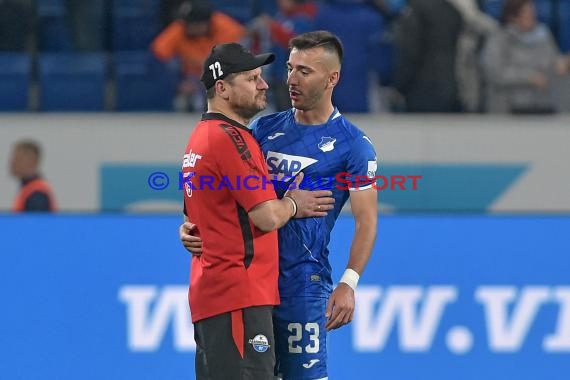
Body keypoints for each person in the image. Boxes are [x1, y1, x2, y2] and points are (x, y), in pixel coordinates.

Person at [181, 31, 379, 380]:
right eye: (289, 68)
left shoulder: (354, 145)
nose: (290, 79)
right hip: (253, 282)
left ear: (332, 78)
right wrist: (193, 224)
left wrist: (349, 282)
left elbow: (367, 221)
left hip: (302, 283)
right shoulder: (262, 129)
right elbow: (227, 189)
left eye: (304, 71)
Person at [151, 0, 246, 111]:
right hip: (192, 78)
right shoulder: (180, 29)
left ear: (206, 22)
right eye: (187, 23)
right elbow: (157, 56)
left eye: (194, 24)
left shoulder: (227, 28)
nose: (189, 27)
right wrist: (178, 83)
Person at [481, 0, 570, 113]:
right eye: (526, 13)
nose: (532, 16)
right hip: (509, 108)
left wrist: (562, 63)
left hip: (541, 106)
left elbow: (552, 62)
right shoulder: (499, 38)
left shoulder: (543, 35)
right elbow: (495, 72)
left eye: (533, 12)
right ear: (513, 16)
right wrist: (529, 78)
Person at [10, 139, 57, 212]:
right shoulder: (28, 189)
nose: (12, 163)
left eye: (17, 158)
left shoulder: (37, 194)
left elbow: (37, 222)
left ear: (31, 161)